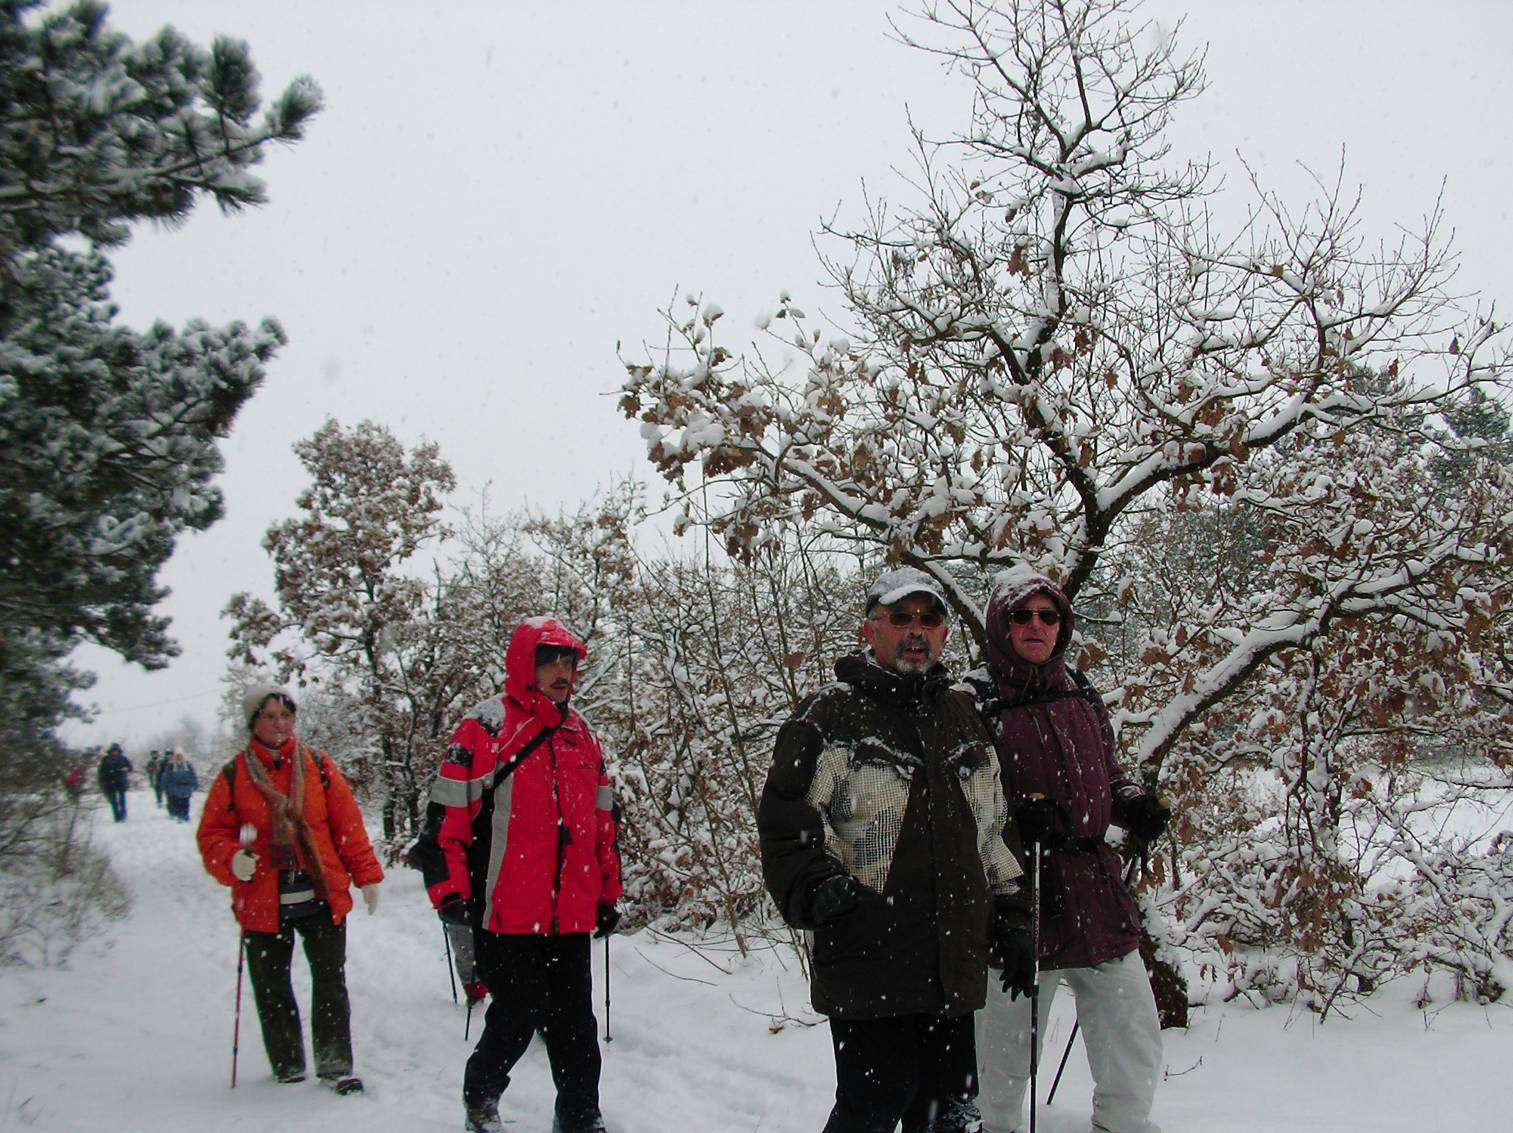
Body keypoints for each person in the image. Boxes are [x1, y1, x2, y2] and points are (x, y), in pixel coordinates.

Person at [758, 566, 1033, 1133]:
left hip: (953, 962)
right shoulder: (830, 716)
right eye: (900, 617)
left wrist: (1012, 919)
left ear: (945, 635)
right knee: (874, 1109)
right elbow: (787, 821)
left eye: (928, 619)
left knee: (949, 1115)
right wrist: (815, 885)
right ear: (870, 629)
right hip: (869, 956)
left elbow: (995, 830)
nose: (916, 630)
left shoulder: (965, 716)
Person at [965, 568, 1171, 1133]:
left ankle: (1124, 1125)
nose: (1035, 625)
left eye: (1047, 615)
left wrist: (1130, 804)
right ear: (1000, 625)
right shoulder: (972, 700)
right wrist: (1014, 816)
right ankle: (997, 1127)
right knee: (1008, 1036)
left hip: (1095, 887)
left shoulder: (1081, 691)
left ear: (1062, 625)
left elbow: (1108, 775)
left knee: (1131, 1026)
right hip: (1018, 893)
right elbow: (957, 805)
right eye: (1022, 615)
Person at [412, 617, 622, 1133]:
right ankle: (481, 1097)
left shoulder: (583, 737)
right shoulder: (485, 728)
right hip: (504, 912)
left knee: (575, 1024)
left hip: (570, 913)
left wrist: (607, 893)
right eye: (550, 659)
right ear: (524, 663)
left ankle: (579, 1115)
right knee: (516, 1014)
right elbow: (445, 821)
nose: (561, 671)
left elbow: (602, 827)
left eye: (569, 662)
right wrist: (449, 892)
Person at [196, 685, 384, 1095]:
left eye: (285, 715)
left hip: (320, 894)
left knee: (330, 983)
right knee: (272, 985)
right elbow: (211, 834)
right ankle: (288, 1064)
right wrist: (231, 858)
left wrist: (366, 876)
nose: (279, 724)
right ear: (253, 723)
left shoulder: (317, 766)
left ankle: (335, 1064)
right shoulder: (235, 775)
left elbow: (347, 826)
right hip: (263, 901)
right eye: (270, 716)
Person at [160, 746, 199, 822]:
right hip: (174, 788)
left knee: (186, 803)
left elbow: (192, 775)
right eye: (177, 756)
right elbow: (166, 776)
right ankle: (179, 816)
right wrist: (163, 786)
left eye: (180, 756)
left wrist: (195, 784)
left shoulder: (188, 765)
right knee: (177, 803)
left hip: (186, 788)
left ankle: (185, 816)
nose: (179, 758)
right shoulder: (171, 766)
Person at [97, 742, 132, 821]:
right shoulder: (106, 759)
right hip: (109, 782)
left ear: (119, 751)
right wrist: (102, 780)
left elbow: (130, 767)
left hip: (121, 781)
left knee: (122, 800)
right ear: (110, 751)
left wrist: (126, 769)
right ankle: (117, 816)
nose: (115, 752)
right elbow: (101, 771)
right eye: (113, 751)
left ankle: (123, 814)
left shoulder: (123, 758)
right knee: (113, 801)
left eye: (116, 751)